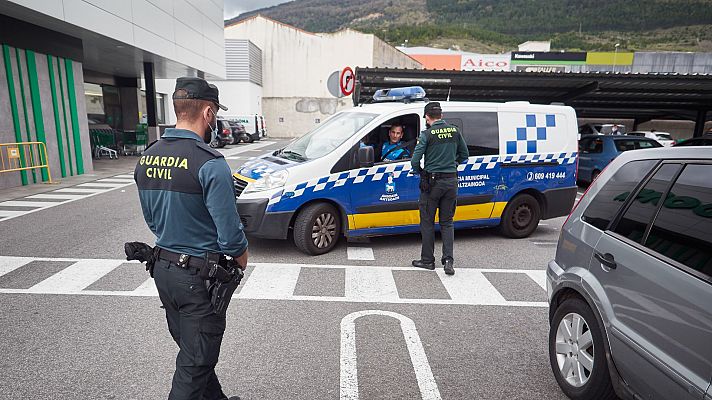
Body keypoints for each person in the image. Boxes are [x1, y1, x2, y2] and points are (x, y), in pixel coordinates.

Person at [134, 77, 248, 400]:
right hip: (199, 281)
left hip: (164, 273)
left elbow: (153, 220)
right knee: (194, 364)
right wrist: (241, 258)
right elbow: (231, 238)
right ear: (209, 114)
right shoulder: (210, 164)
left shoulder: (148, 157)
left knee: (195, 354)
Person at [410, 102, 468, 275]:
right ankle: (448, 261)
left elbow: (415, 160)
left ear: (427, 117)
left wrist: (421, 172)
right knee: (447, 223)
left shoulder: (427, 135)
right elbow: (465, 155)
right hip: (451, 182)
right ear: (441, 116)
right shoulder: (455, 131)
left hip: (432, 184)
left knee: (427, 222)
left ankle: (428, 260)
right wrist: (452, 164)